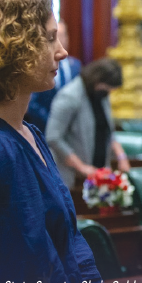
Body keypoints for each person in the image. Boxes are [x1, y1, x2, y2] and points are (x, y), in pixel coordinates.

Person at [0, 0, 111, 283]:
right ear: (12, 44)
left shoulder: (29, 133)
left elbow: (69, 241)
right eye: (50, 38)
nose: (62, 51)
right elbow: (31, 273)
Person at [46, 58, 130, 189]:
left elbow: (107, 130)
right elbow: (53, 137)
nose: (107, 93)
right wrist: (82, 167)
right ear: (98, 80)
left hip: (98, 174)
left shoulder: (102, 96)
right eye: (106, 89)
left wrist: (121, 156)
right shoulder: (69, 96)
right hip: (72, 178)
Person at [26, 19, 81, 132]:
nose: (60, 41)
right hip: (41, 126)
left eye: (62, 35)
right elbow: (33, 102)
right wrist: (54, 123)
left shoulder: (76, 65)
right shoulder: (37, 65)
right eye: (52, 37)